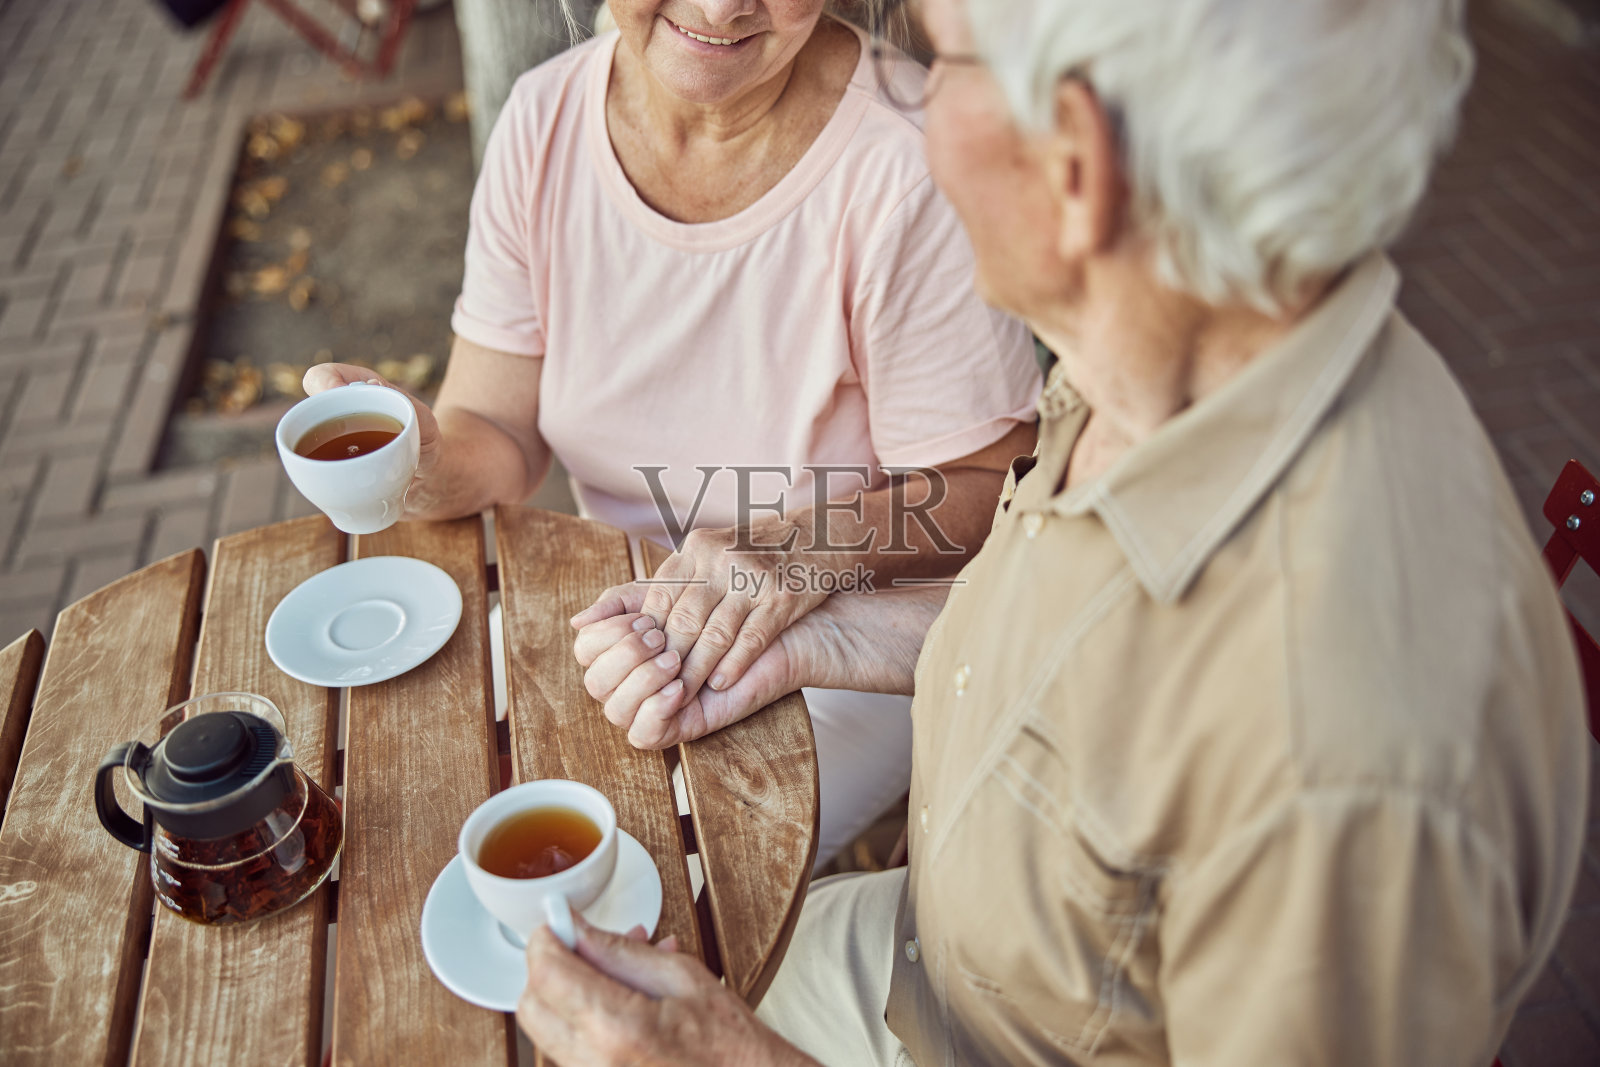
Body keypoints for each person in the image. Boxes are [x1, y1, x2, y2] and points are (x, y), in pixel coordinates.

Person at [524, 0, 1592, 1062]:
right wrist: (832, 637)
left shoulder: (1340, 752)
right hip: (930, 957)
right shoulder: (1198, 328)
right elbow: (1102, 671)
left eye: (940, 62)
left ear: (1073, 164)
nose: (907, 98)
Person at [305, 0, 1042, 866]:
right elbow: (496, 429)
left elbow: (987, 487)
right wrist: (422, 459)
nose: (721, 5)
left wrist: (789, 553)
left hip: (840, 629)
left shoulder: (912, 160)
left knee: (644, 868)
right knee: (428, 806)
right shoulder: (542, 119)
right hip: (628, 611)